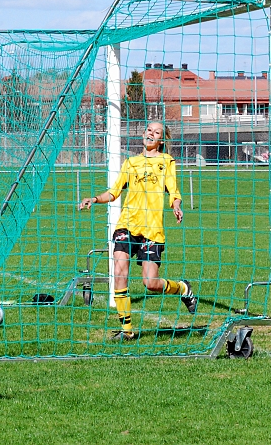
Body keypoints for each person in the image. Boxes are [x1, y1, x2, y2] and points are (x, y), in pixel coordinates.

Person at [78, 121, 197, 340]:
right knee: (120, 274)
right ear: (143, 134)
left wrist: (177, 205)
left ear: (161, 140)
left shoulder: (166, 162)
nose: (151, 134)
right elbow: (114, 192)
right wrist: (94, 199)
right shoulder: (131, 163)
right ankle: (127, 331)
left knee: (150, 283)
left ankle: (182, 289)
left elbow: (174, 190)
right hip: (127, 225)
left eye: (157, 132)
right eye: (149, 130)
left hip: (152, 229)